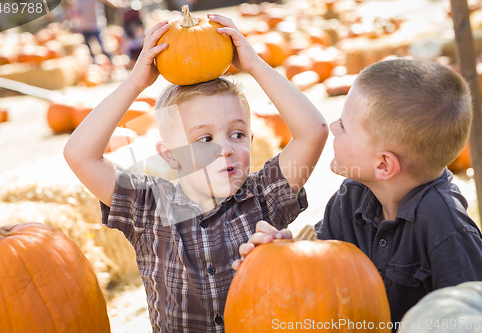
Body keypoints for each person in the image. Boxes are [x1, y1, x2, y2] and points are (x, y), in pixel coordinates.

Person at [63, 13, 328, 332]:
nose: (225, 149)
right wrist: (136, 83)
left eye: (237, 134)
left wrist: (255, 66)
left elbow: (314, 131)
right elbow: (79, 155)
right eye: (205, 139)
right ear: (170, 156)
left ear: (252, 141)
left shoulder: (263, 198)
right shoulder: (149, 207)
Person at [234, 58, 482, 330]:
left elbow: (466, 315)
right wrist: (281, 254)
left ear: (383, 165)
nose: (333, 126)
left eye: (344, 124)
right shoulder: (352, 197)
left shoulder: (447, 229)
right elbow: (321, 269)